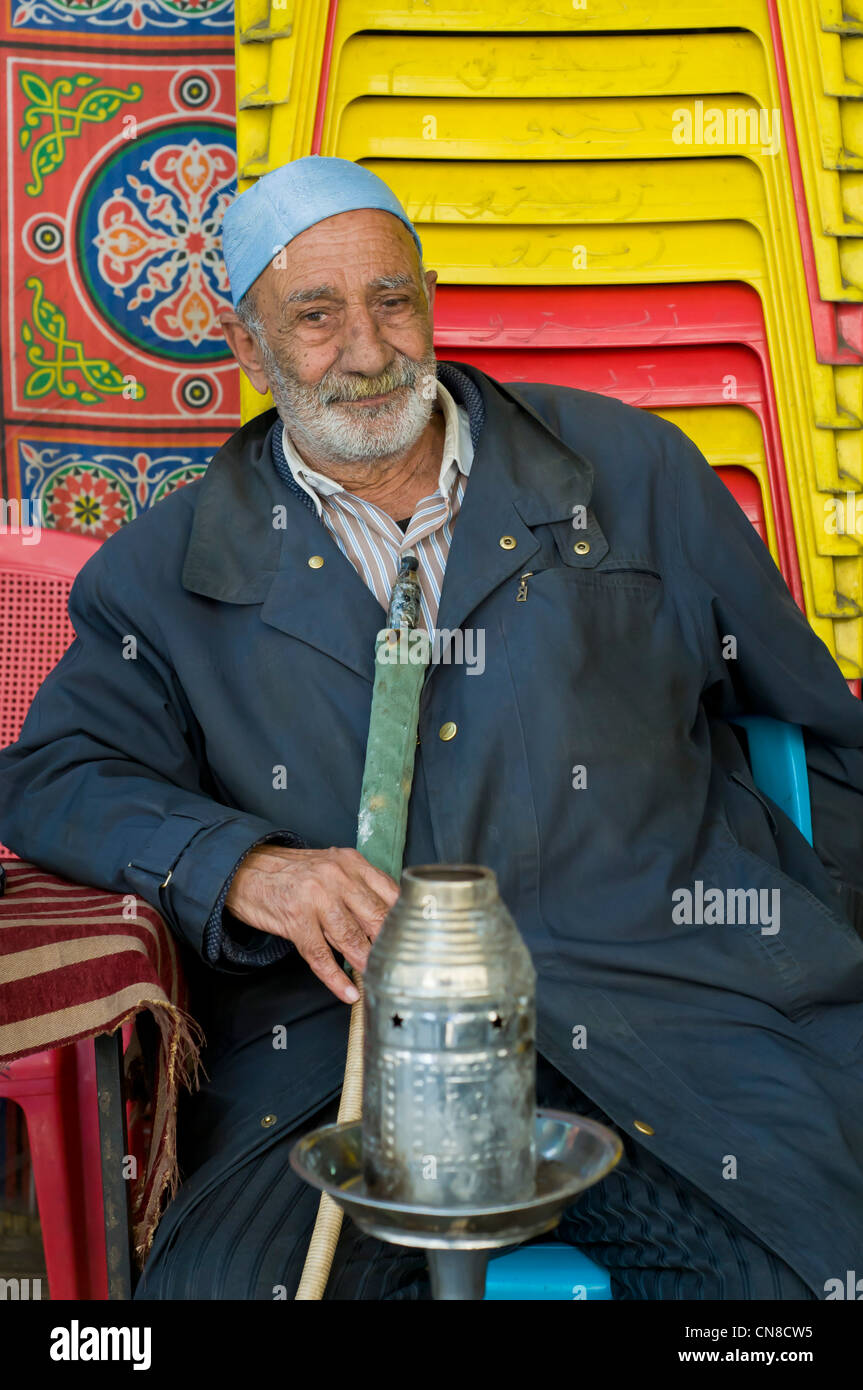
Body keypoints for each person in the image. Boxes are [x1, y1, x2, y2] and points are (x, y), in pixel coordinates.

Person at [2, 156, 862, 1301]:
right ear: (246, 347)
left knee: (792, 1291)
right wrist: (244, 868)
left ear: (429, 299)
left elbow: (814, 738)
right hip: (342, 1054)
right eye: (314, 315)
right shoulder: (165, 576)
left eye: (390, 300)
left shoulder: (629, 474)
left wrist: (798, 963)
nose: (365, 351)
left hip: (665, 1005)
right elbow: (53, 773)